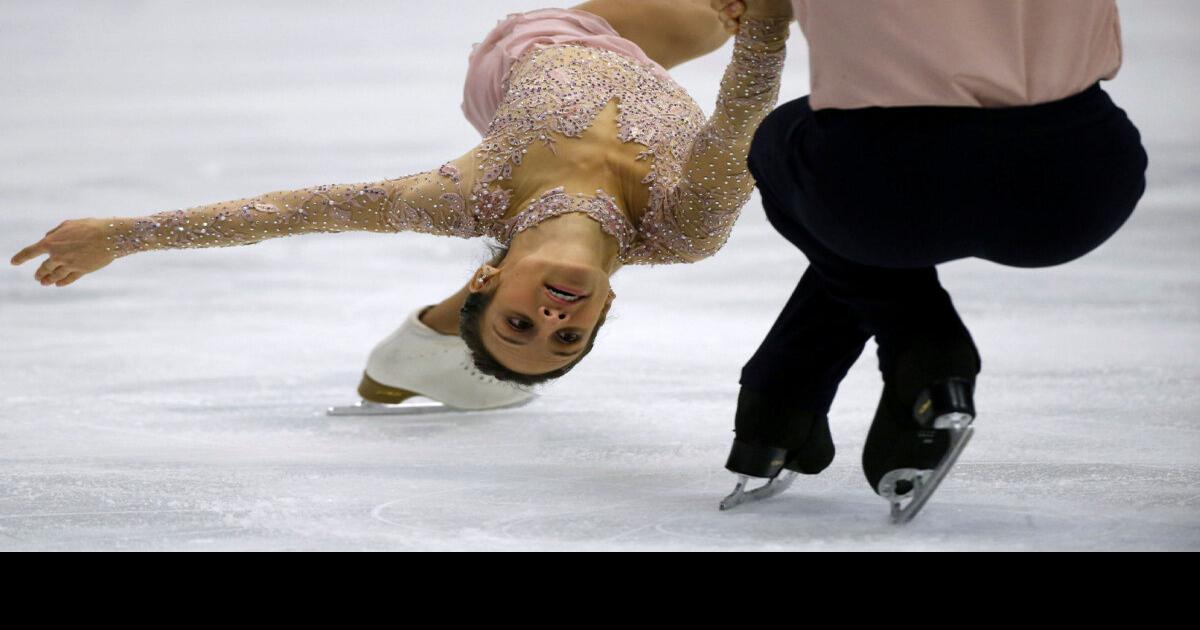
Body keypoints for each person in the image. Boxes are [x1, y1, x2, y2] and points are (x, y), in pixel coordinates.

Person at [9, 1, 794, 406]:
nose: (554, 319)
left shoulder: (468, 194)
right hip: (634, 61)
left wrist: (124, 234)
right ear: (602, 311)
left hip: (539, 51)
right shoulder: (684, 227)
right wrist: (766, 16)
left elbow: (291, 212)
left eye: (523, 324)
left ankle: (426, 340)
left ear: (485, 287)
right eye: (566, 337)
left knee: (694, 13)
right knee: (711, 21)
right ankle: (421, 349)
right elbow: (741, 113)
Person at [715, 0, 1148, 519]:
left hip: (892, 185)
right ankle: (780, 404)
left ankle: (922, 353)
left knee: (780, 143)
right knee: (857, 213)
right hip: (1081, 179)